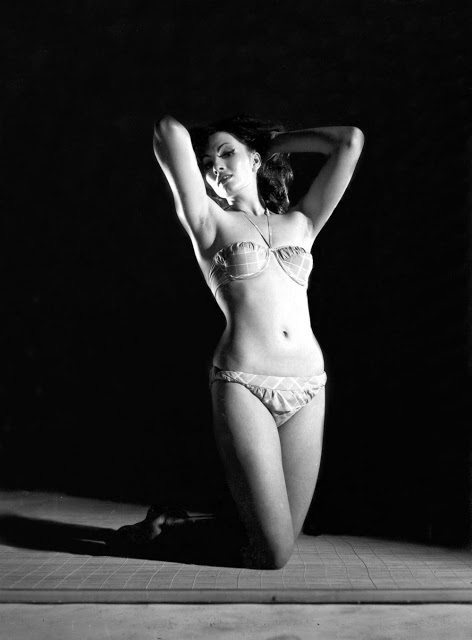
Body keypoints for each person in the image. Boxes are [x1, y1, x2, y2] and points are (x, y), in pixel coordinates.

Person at [114, 113, 364, 569]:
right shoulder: (209, 222)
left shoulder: (302, 221)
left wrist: (268, 142)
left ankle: (172, 525)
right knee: (274, 553)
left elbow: (349, 141)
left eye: (227, 153)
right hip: (243, 383)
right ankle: (165, 534)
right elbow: (167, 130)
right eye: (207, 162)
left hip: (309, 387)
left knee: (279, 539)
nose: (216, 166)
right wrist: (223, 153)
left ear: (255, 160)